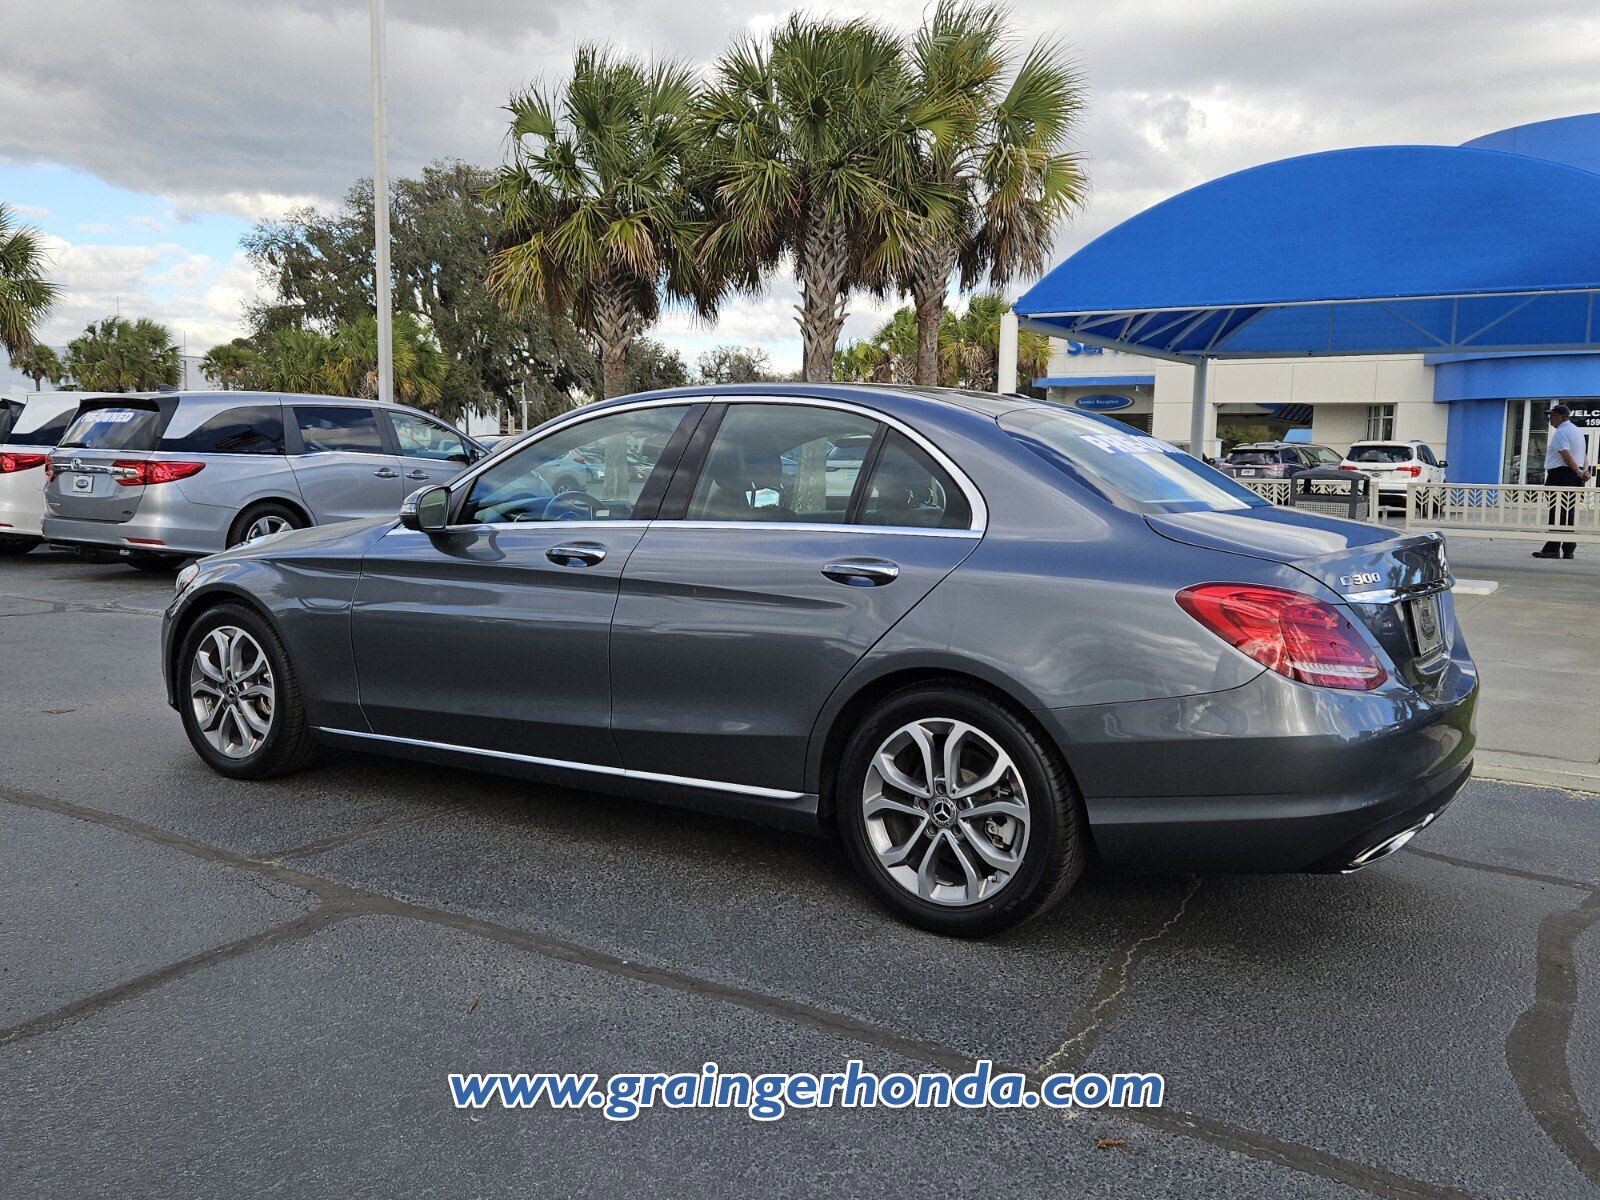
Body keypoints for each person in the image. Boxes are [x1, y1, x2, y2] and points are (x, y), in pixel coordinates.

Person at [1532, 404, 1592, 560]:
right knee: (1568, 511)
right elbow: (1584, 456)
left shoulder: (1561, 432)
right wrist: (1583, 472)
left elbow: (1566, 455)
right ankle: (1569, 548)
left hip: (1560, 475)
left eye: (1553, 415)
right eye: (1549, 415)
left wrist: (1579, 472)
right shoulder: (1576, 431)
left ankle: (1552, 548)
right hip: (1573, 475)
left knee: (1556, 511)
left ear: (1564, 417)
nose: (1550, 418)